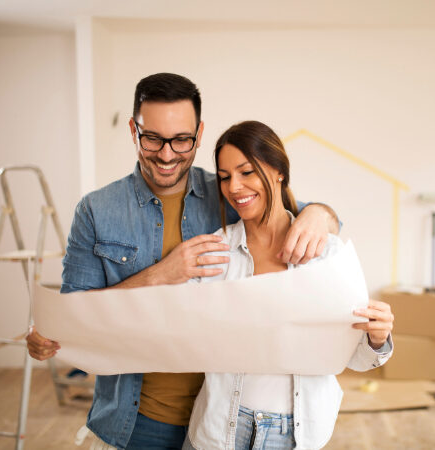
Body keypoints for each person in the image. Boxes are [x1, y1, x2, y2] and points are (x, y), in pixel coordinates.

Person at [26, 73, 340, 449]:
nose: (167, 153)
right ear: (133, 129)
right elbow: (74, 316)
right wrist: (159, 275)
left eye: (181, 139)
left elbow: (297, 214)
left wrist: (321, 213)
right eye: (153, 138)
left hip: (220, 420)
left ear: (199, 133)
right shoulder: (97, 210)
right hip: (137, 419)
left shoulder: (227, 191)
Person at [183, 120, 394, 450]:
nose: (234, 187)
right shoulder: (214, 253)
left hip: (295, 436)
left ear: (279, 171)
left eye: (246, 172)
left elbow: (353, 357)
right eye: (224, 177)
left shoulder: (329, 254)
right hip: (219, 430)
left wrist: (377, 337)